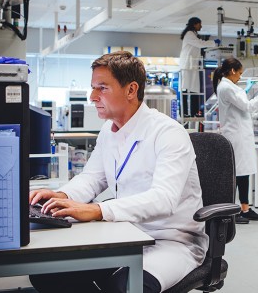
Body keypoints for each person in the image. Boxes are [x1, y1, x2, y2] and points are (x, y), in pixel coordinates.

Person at [28, 51, 208, 292]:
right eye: (93, 87)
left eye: (102, 88)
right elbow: (93, 177)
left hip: (171, 240)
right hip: (126, 232)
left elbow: (164, 199)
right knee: (48, 273)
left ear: (131, 90)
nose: (92, 97)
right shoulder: (108, 130)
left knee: (124, 287)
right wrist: (63, 195)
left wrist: (98, 209)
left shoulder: (168, 133)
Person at [213, 57, 258, 224]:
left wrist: (245, 90)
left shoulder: (230, 87)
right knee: (236, 175)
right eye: (240, 73)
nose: (241, 77)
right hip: (236, 136)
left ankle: (245, 208)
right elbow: (249, 106)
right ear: (232, 71)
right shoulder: (226, 87)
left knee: (243, 173)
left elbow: (242, 105)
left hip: (241, 136)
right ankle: (232, 211)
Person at [179, 17, 219, 116]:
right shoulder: (189, 34)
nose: (201, 26)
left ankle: (194, 112)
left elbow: (199, 44)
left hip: (192, 65)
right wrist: (213, 43)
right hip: (187, 66)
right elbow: (199, 44)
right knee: (186, 89)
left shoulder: (193, 34)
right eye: (199, 24)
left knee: (193, 89)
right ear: (194, 24)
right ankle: (184, 112)